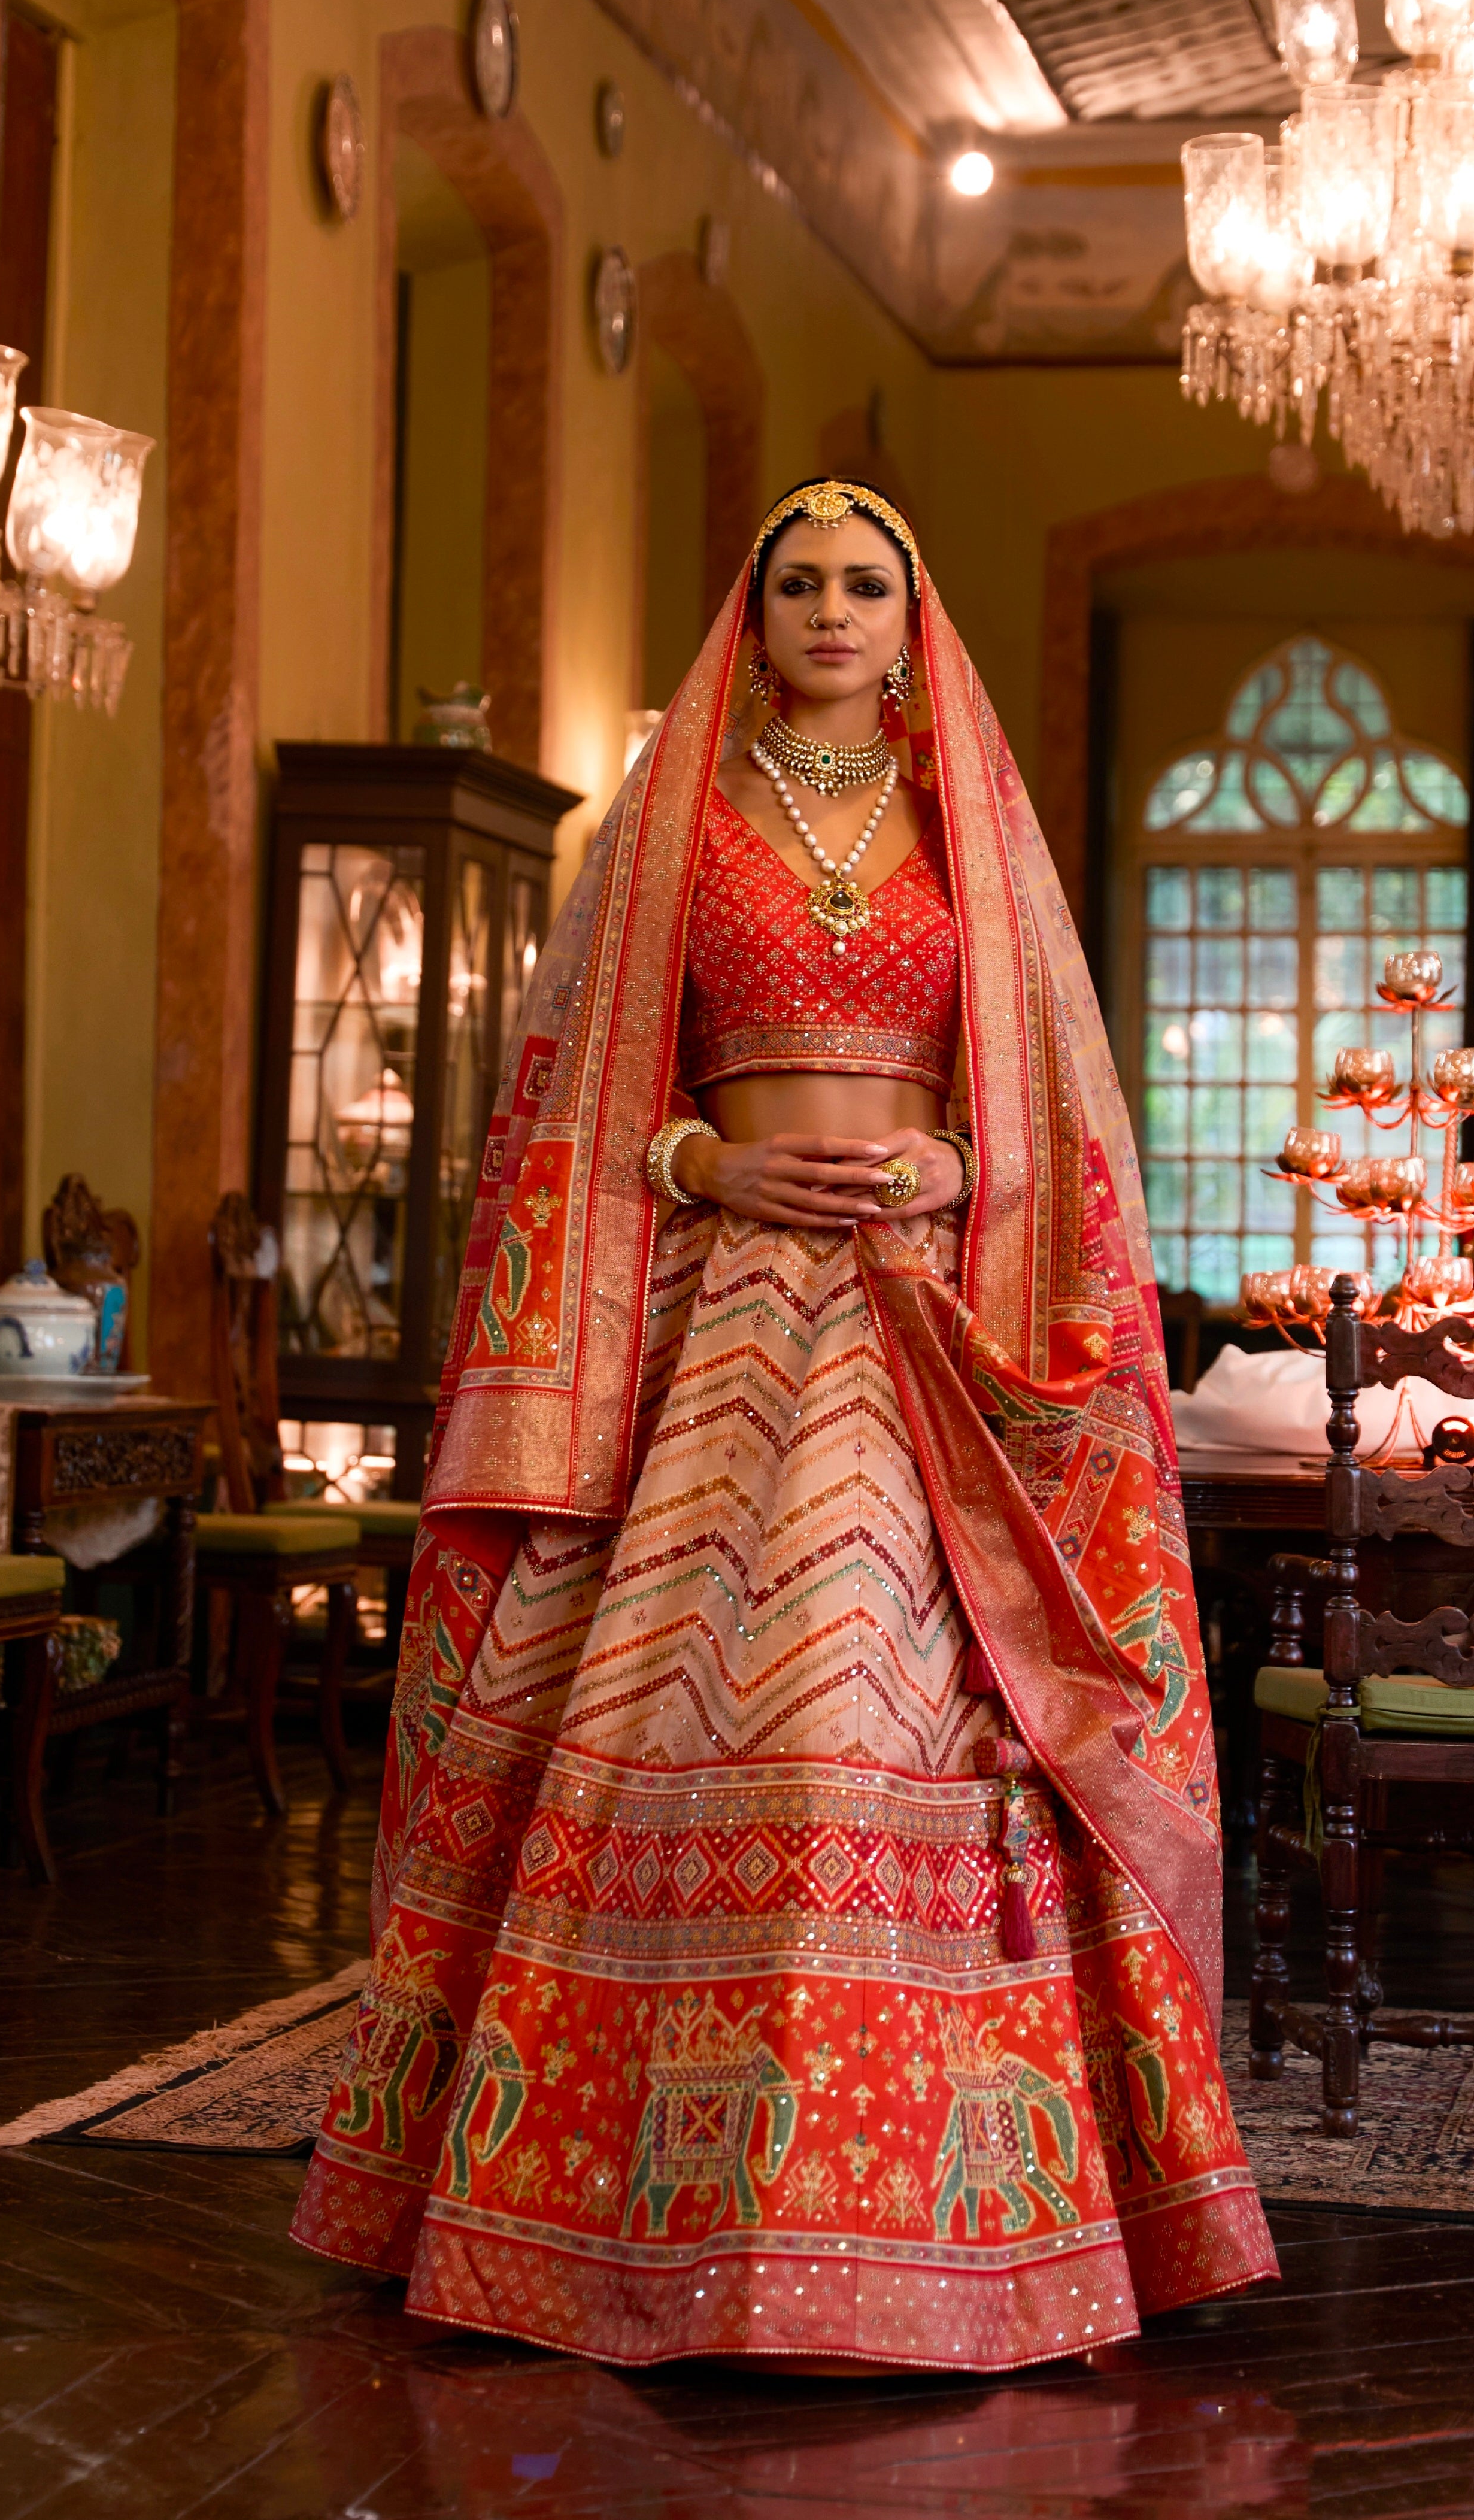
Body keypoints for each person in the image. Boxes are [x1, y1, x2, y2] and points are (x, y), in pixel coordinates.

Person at [291, 477, 1277, 2369]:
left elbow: (1053, 1117)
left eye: (866, 584)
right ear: (755, 615)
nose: (832, 609)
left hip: (919, 1322)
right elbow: (574, 1094)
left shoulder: (969, 834)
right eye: (800, 581)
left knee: (885, 1703)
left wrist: (946, 1161)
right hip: (716, 1320)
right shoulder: (675, 820)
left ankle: (903, 2206)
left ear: (918, 623)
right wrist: (705, 1166)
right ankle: (606, 2199)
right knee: (685, 1697)